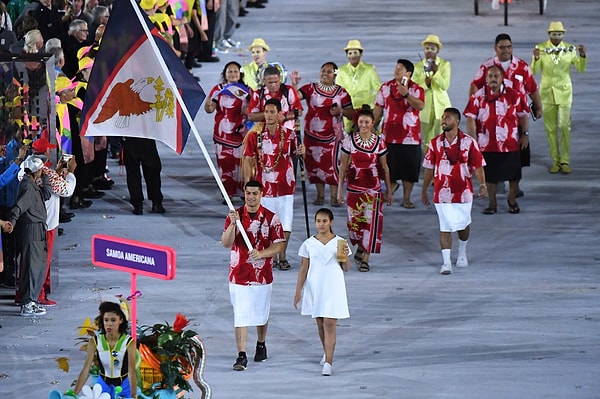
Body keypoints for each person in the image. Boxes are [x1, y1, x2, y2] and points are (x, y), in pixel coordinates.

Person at [221, 180, 285, 371]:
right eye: (248, 193)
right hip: (238, 273)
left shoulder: (271, 218)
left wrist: (262, 254)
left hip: (262, 275)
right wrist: (233, 224)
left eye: (254, 193)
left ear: (261, 194)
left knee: (261, 313)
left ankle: (261, 344)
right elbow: (226, 243)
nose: (250, 197)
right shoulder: (235, 215)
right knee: (240, 314)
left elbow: (280, 244)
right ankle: (241, 355)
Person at [470, 33, 542, 196]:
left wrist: (538, 106)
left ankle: (514, 187)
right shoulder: (487, 66)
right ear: (495, 48)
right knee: (493, 154)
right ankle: (494, 185)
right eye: (502, 47)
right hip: (492, 118)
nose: (506, 50)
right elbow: (475, 86)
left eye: (509, 47)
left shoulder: (522, 66)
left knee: (518, 153)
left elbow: (532, 88)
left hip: (516, 118)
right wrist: (474, 107)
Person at [421, 108, 487, 275]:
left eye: (447, 118)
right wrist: (424, 189)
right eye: (443, 118)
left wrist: (482, 184)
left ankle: (462, 251)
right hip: (441, 193)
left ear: (456, 121)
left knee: (463, 225)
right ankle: (446, 263)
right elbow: (429, 168)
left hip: (463, 192)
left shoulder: (469, 142)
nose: (443, 120)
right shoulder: (435, 142)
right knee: (445, 226)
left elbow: (478, 165)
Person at [242, 98, 305, 271]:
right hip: (265, 187)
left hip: (285, 185)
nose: (269, 115)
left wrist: (302, 151)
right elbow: (248, 159)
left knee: (286, 222)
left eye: (272, 112)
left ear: (279, 114)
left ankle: (282, 256)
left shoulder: (290, 133)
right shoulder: (255, 135)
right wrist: (248, 182)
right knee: (268, 223)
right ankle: (272, 255)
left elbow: (297, 154)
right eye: (266, 112)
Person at [464, 65, 529, 215]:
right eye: (490, 76)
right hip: (487, 144)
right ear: (486, 78)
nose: (493, 79)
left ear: (502, 78)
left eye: (496, 76)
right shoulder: (477, 97)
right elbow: (470, 118)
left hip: (510, 143)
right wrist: (473, 140)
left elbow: (523, 114)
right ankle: (492, 203)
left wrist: (525, 134)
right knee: (490, 177)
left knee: (514, 175)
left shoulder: (514, 95)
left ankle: (512, 200)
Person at [294, 208, 351, 376]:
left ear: (331, 222)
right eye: (318, 221)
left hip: (333, 286)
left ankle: (328, 363)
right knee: (320, 322)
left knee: (330, 323)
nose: (321, 224)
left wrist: (346, 257)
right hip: (315, 286)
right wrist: (298, 291)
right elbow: (304, 268)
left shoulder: (340, 242)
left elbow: (346, 268)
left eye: (324, 221)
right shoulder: (308, 244)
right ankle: (327, 351)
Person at [337, 105, 392, 272]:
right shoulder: (349, 141)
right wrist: (340, 190)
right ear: (357, 122)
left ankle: (366, 257)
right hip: (354, 188)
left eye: (367, 122)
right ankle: (360, 246)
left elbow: (385, 168)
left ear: (372, 123)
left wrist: (388, 190)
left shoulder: (379, 142)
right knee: (354, 225)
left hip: (373, 189)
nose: (364, 125)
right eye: (361, 122)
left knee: (371, 223)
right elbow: (343, 167)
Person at [295, 62, 354, 207]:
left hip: (332, 137)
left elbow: (351, 113)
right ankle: (320, 196)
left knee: (332, 167)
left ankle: (334, 197)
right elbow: (294, 99)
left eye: (328, 72)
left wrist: (340, 111)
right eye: (323, 71)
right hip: (311, 135)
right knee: (314, 166)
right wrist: (294, 84)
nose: (325, 74)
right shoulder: (310, 88)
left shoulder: (342, 93)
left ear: (335, 74)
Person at [531, 21, 587, 174]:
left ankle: (565, 160)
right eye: (554, 34)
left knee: (564, 126)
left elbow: (580, 69)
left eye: (559, 34)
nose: (556, 37)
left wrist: (582, 56)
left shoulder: (569, 49)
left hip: (564, 93)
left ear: (563, 34)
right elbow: (534, 71)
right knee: (550, 129)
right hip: (547, 93)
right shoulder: (541, 48)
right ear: (549, 34)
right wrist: (535, 59)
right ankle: (556, 160)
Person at [374, 59, 425, 209]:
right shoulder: (385, 87)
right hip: (389, 136)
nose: (396, 71)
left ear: (408, 73)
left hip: (410, 138)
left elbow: (420, 105)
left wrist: (406, 94)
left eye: (400, 69)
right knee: (389, 169)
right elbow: (378, 109)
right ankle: (390, 191)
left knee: (409, 171)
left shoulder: (416, 88)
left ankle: (407, 198)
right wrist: (371, 127)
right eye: (396, 68)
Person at [32, 137, 76, 306]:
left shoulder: (26, 169)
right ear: (47, 153)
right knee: (44, 261)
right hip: (47, 224)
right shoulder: (48, 174)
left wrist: (58, 171)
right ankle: (39, 294)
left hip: (31, 222)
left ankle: (23, 293)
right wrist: (71, 172)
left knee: (28, 261)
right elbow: (67, 190)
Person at [7, 155, 52, 316]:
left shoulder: (32, 184)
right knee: (31, 268)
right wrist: (11, 221)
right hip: (31, 230)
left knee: (36, 266)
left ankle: (30, 300)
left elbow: (45, 195)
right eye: (41, 169)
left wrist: (45, 177)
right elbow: (18, 206)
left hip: (36, 229)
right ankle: (28, 303)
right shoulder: (27, 186)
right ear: (35, 171)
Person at [205, 61, 251, 203]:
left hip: (241, 134)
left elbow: (252, 110)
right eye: (229, 71)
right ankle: (227, 194)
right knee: (225, 165)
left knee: (242, 164)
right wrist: (208, 102)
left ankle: (244, 192)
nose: (232, 74)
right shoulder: (217, 89)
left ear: (240, 74)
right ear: (224, 74)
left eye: (235, 71)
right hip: (222, 135)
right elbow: (209, 110)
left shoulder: (247, 90)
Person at [74, 298, 137, 399]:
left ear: (120, 320)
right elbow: (86, 370)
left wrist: (134, 394)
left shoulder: (129, 342)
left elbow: (132, 370)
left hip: (124, 384)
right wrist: (74, 393)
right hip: (103, 384)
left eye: (113, 320)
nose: (109, 324)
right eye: (106, 320)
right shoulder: (94, 342)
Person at [412, 34, 452, 151]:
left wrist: (436, 73)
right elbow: (414, 87)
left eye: (432, 49)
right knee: (425, 139)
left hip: (441, 106)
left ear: (437, 50)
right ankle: (428, 163)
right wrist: (426, 84)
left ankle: (440, 162)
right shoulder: (418, 66)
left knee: (441, 137)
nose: (429, 51)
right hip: (424, 107)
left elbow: (445, 85)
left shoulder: (444, 65)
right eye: (427, 49)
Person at [335, 39, 381, 133]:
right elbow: (338, 91)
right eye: (350, 53)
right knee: (348, 135)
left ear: (361, 54)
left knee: (367, 134)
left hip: (367, 109)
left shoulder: (369, 69)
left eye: (355, 53)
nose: (352, 56)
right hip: (349, 110)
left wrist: (371, 104)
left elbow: (378, 89)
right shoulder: (341, 71)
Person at [246, 65, 303, 132]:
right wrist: (269, 114)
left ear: (280, 79)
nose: (273, 85)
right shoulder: (258, 94)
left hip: (287, 134)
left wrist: (285, 117)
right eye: (270, 83)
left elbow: (299, 111)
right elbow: (251, 116)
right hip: (266, 136)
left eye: (276, 82)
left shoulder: (288, 90)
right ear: (264, 80)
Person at [122, 137, 165, 215]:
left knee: (133, 173)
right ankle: (156, 202)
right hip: (147, 138)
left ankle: (138, 204)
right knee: (152, 171)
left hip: (130, 138)